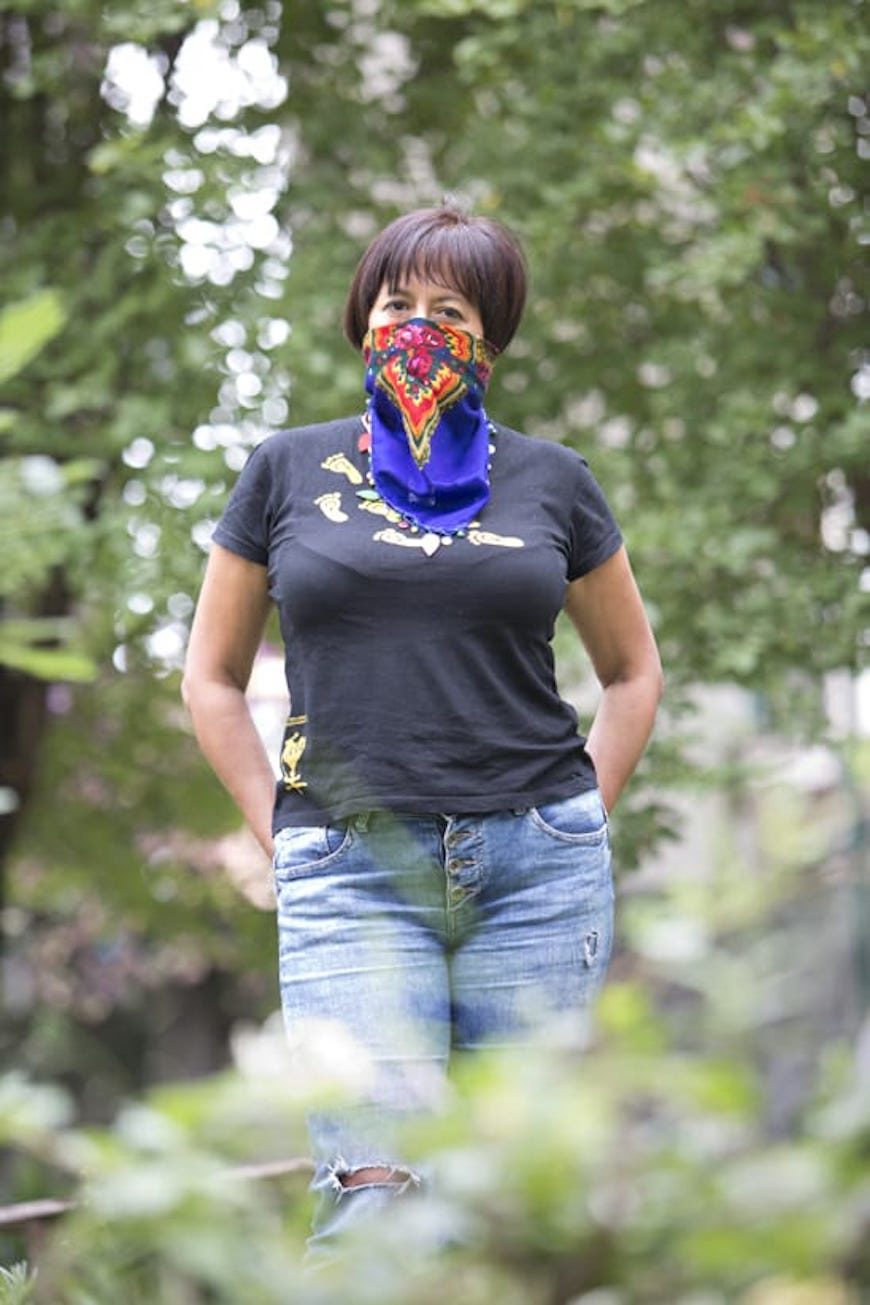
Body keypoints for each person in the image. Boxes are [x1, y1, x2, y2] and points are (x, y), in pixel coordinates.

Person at [182, 204, 663, 1246]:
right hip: (352, 871)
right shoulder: (284, 471)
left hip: (538, 875)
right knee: (373, 1205)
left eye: (450, 310)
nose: (418, 328)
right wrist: (284, 835)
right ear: (362, 320)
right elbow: (212, 680)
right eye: (397, 303)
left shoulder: (555, 482)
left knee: (519, 1209)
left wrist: (582, 821)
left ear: (490, 339)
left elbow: (631, 675)